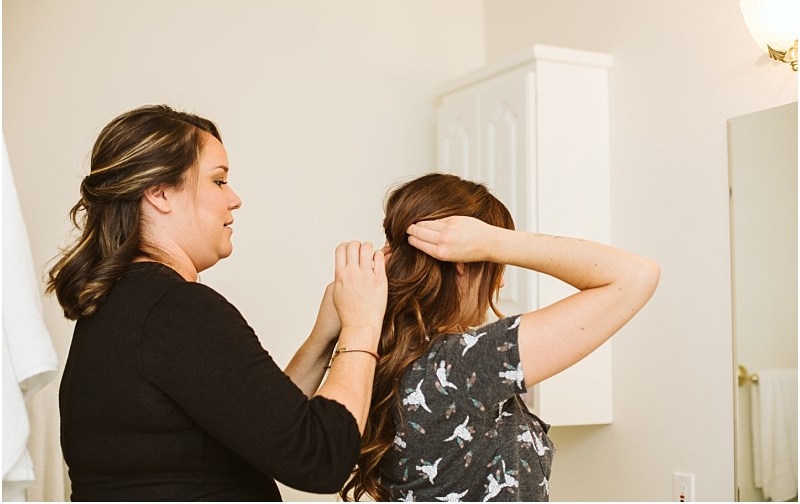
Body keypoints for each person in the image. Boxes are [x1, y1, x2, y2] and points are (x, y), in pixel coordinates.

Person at [48, 105, 387, 502]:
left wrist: (324, 337)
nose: (235, 199)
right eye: (219, 180)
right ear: (159, 193)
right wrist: (363, 325)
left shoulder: (124, 303)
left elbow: (264, 428)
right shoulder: (176, 309)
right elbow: (320, 457)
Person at [342, 173, 660, 502]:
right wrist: (497, 242)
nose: (501, 282)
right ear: (462, 262)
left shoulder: (383, 352)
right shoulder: (457, 368)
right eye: (495, 264)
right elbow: (636, 276)